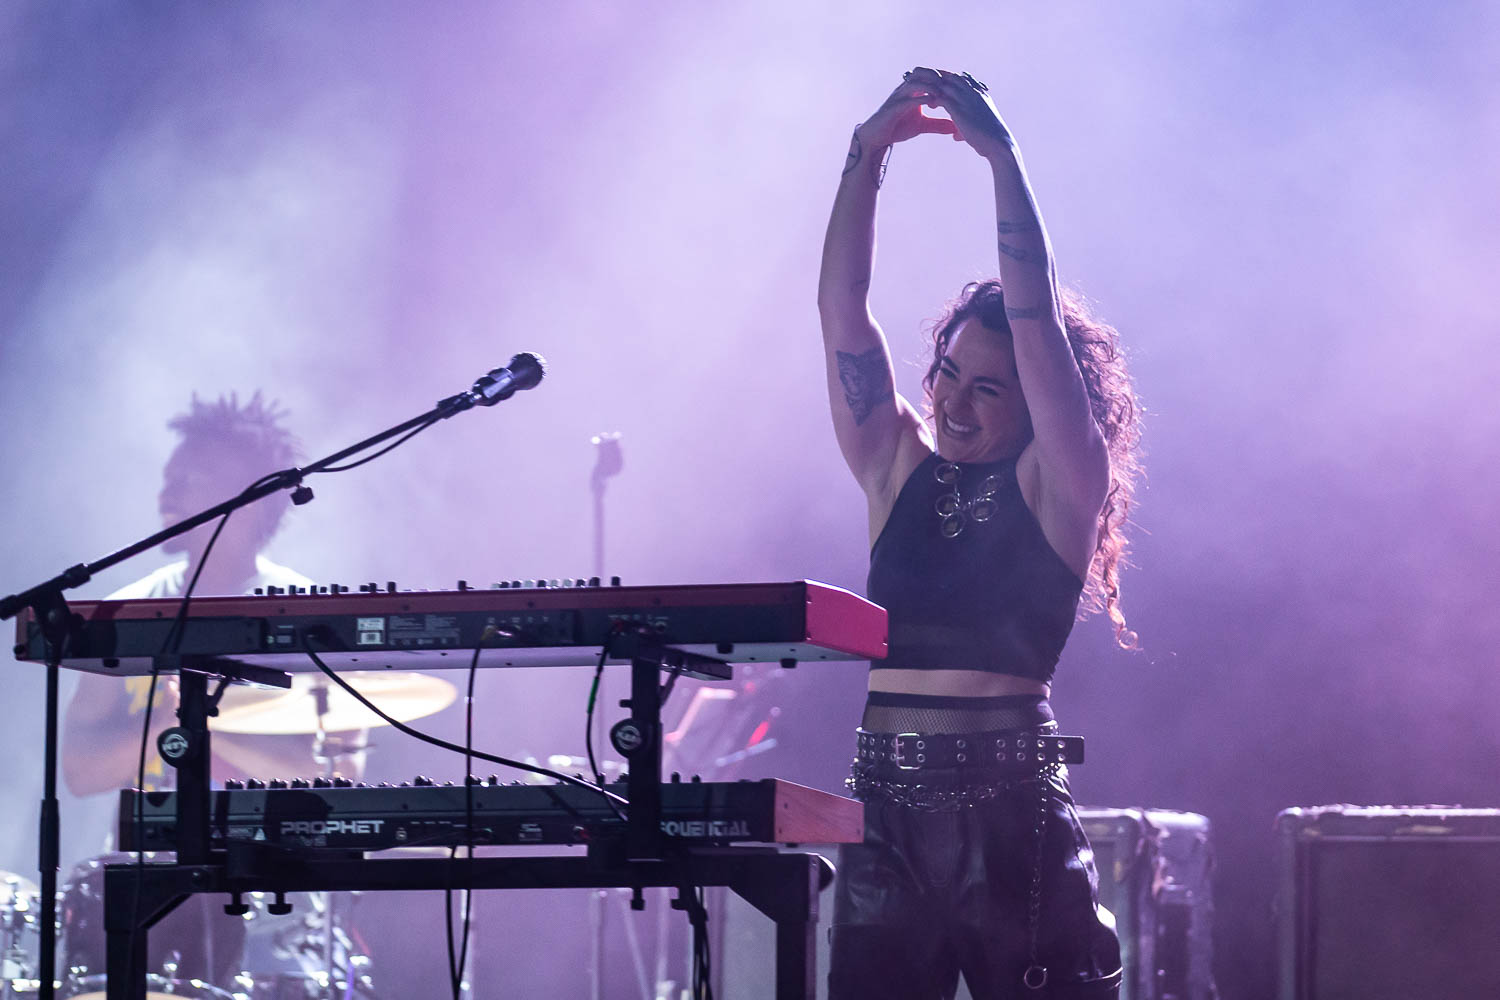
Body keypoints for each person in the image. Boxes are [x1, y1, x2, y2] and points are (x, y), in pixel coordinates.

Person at [817, 67, 1142, 999]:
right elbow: (843, 314)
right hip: (884, 814)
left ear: (1035, 403)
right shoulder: (896, 468)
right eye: (949, 374)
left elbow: (1032, 308)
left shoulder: (1061, 482)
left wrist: (1001, 156)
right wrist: (865, 154)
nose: (953, 401)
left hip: (1008, 822)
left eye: (987, 388)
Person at [64, 391, 320, 797]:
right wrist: (166, 719)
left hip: (269, 856)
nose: (165, 496)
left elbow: (330, 773)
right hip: (144, 857)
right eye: (167, 481)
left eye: (186, 481)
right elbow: (79, 774)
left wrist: (199, 716)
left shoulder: (314, 613)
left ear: (246, 498)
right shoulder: (122, 612)